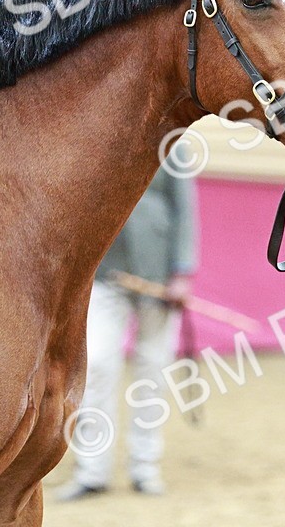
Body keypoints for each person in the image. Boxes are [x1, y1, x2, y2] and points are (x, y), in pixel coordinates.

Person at [58, 166, 196, 500]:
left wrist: (182, 272)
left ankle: (144, 468)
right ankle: (92, 471)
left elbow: (185, 208)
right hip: (105, 275)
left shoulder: (174, 141)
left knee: (152, 371)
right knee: (98, 366)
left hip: (159, 279)